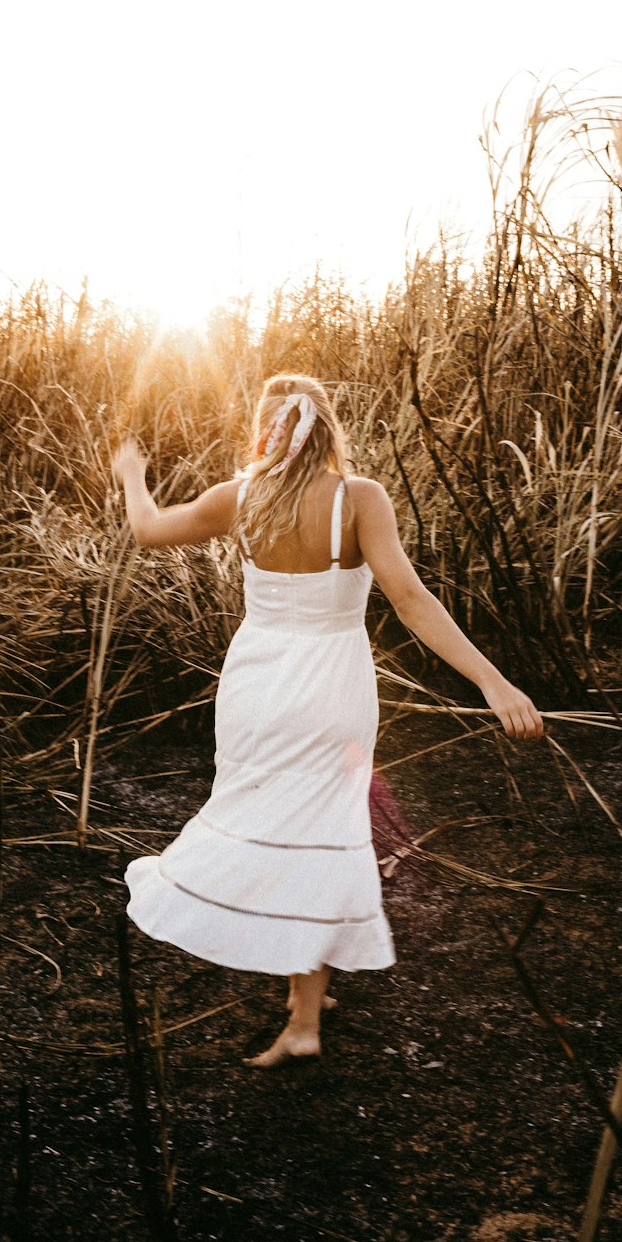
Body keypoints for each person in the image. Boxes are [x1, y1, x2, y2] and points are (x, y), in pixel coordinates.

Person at [112, 373, 543, 1068]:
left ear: (267, 427)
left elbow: (147, 529)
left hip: (255, 684)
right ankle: (305, 1017)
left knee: (274, 820)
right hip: (330, 687)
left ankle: (303, 983)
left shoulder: (238, 499)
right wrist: (493, 682)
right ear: (329, 427)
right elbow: (410, 599)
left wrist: (133, 475)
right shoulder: (359, 499)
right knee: (319, 827)